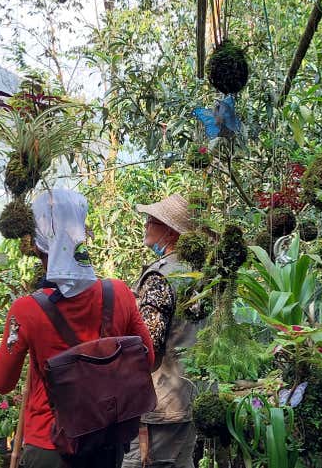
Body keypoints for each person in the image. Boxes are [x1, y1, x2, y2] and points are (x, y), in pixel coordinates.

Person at [0, 189, 155, 468]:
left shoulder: (26, 310)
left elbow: (2, 383)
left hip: (50, 445)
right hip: (106, 439)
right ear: (82, 235)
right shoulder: (119, 293)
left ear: (39, 244)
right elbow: (147, 360)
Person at [122, 193, 204, 468]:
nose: (146, 225)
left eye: (151, 220)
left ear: (169, 231)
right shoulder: (200, 273)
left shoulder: (161, 276)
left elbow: (148, 345)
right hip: (193, 395)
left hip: (161, 403)